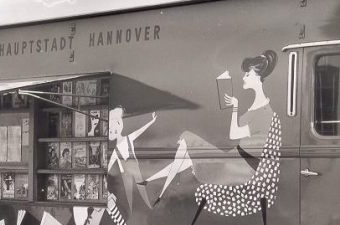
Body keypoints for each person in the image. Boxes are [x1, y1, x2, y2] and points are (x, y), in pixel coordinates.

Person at [139, 50, 279, 205]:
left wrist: (234, 108)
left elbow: (233, 135)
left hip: (241, 168)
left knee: (187, 140)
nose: (244, 77)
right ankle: (155, 187)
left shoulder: (263, 112)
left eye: (247, 74)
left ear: (258, 77)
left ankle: (156, 188)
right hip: (235, 159)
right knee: (186, 154)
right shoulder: (258, 106)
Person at [107, 108, 157, 210]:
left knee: (141, 188)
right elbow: (109, 165)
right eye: (111, 130)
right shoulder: (115, 150)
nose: (113, 130)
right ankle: (131, 210)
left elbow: (140, 131)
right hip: (126, 172)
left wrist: (152, 121)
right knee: (129, 193)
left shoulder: (128, 138)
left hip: (134, 167)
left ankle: (148, 205)